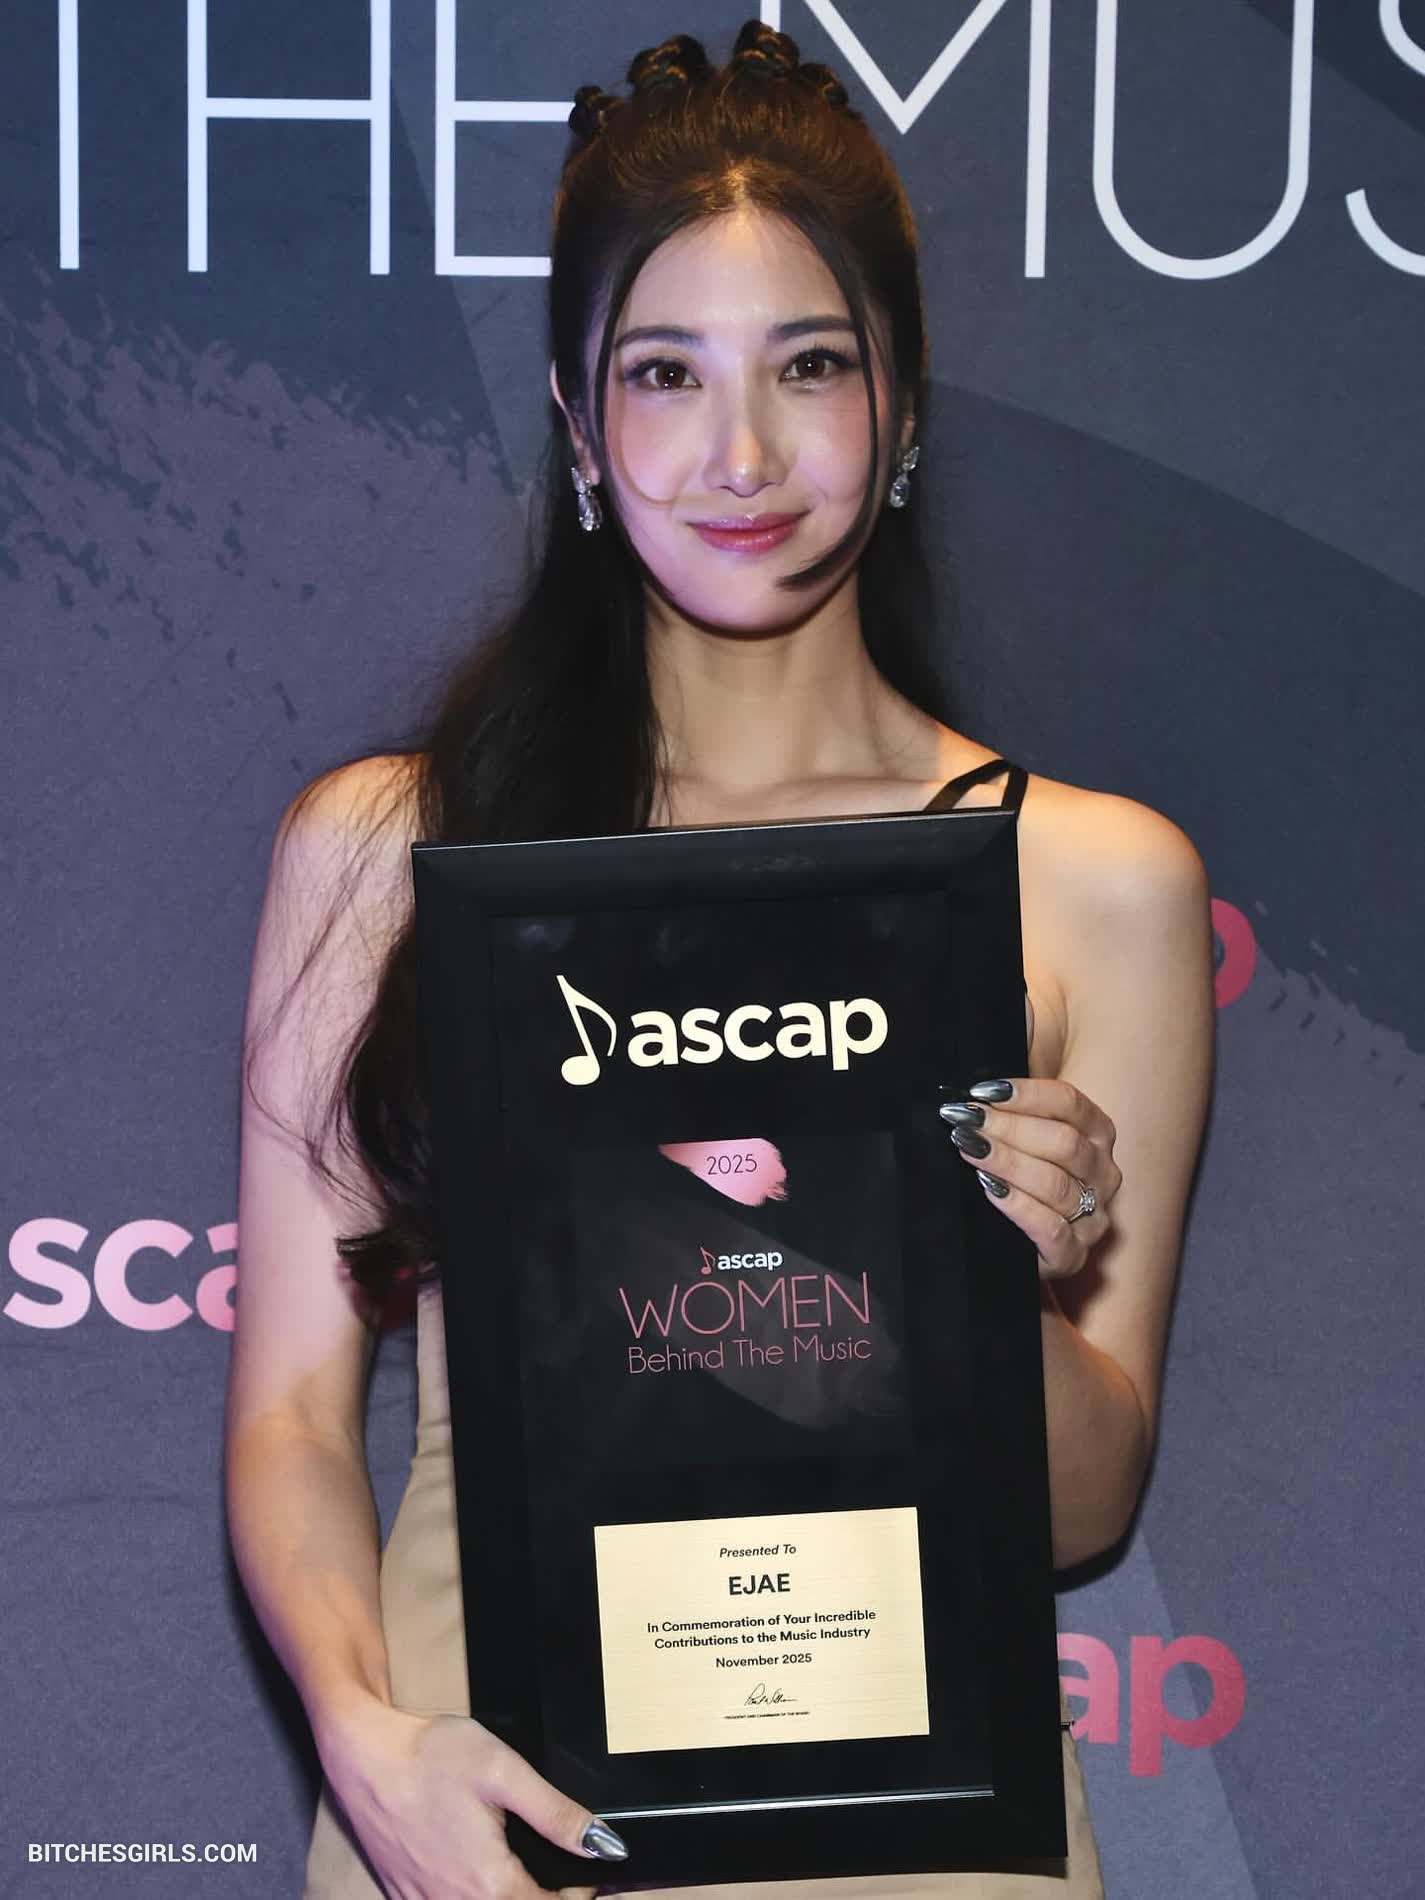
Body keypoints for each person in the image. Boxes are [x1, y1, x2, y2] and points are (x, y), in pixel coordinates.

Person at [224, 20, 1215, 1900]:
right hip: (491, 1817)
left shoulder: (1089, 880)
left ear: (902, 408)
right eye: (664, 372)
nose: (740, 453)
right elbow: (287, 1410)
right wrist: (366, 1744)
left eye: (809, 366)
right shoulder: (393, 850)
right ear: (578, 424)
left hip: (919, 1835)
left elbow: (1080, 1506)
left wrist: (991, 1274)